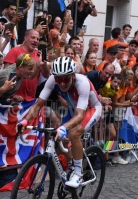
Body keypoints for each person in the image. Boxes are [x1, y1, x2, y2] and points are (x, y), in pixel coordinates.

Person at [18, 56, 102, 188]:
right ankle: (71, 167)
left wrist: (64, 128)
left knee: (74, 133)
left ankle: (78, 173)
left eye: (65, 79)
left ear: (73, 75)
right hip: (72, 109)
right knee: (60, 137)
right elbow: (38, 104)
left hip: (91, 109)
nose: (62, 83)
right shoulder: (52, 80)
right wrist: (24, 121)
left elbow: (80, 115)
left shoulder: (82, 83)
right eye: (58, 79)